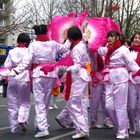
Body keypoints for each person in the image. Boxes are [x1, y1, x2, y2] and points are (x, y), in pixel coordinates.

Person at [9, 24, 71, 138]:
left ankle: (43, 128)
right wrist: (69, 37)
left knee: (39, 102)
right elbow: (65, 48)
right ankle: (40, 124)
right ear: (46, 32)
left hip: (39, 74)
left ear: (36, 34)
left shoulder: (34, 45)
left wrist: (16, 70)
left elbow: (26, 61)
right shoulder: (53, 44)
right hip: (51, 74)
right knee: (45, 102)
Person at [92, 30, 140, 139]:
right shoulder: (106, 49)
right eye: (108, 36)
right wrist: (88, 38)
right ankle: (120, 127)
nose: (109, 38)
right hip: (109, 79)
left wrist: (138, 71)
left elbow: (131, 64)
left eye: (112, 36)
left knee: (121, 107)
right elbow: (94, 48)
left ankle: (122, 131)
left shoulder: (123, 49)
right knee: (108, 106)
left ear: (118, 37)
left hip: (121, 78)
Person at [56, 26, 91, 139]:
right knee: (82, 104)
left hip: (79, 76)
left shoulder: (76, 48)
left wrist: (65, 69)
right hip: (83, 75)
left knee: (73, 104)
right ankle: (83, 130)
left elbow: (76, 65)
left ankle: (82, 129)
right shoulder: (82, 44)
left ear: (71, 36)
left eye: (68, 36)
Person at [4, 33, 31, 133]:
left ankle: (13, 128)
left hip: (12, 79)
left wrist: (4, 76)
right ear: (27, 42)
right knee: (24, 102)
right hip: (24, 78)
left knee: (12, 104)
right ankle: (22, 119)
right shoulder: (29, 51)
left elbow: (7, 66)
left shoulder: (11, 51)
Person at [89, 50, 114, 129]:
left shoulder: (106, 50)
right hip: (96, 79)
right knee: (95, 101)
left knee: (106, 100)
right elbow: (91, 52)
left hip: (105, 78)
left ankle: (107, 120)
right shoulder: (94, 53)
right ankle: (94, 121)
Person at [127, 32, 140, 135]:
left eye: (139, 38)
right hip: (131, 81)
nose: (137, 40)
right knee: (131, 107)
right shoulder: (127, 52)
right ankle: (132, 125)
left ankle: (138, 125)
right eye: (135, 38)